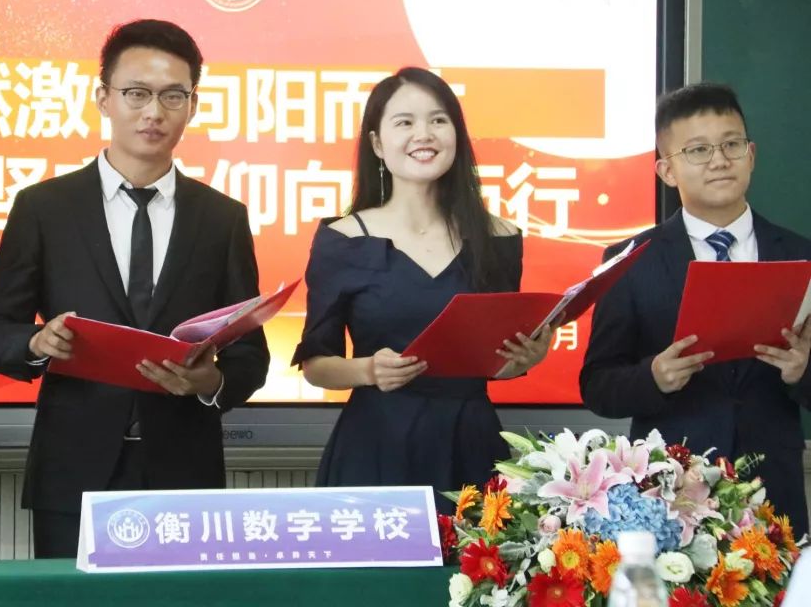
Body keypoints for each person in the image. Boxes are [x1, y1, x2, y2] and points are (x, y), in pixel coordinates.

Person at [0, 19, 270, 558]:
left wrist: (209, 381)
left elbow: (250, 354)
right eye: (136, 93)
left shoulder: (222, 218)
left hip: (184, 474)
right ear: (103, 99)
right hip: (74, 470)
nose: (154, 112)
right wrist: (35, 344)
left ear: (193, 105)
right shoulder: (44, 209)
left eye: (172, 96)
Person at [293, 67, 553, 509]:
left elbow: (497, 366)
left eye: (438, 120)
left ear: (457, 135)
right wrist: (368, 371)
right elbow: (316, 364)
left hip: (470, 442)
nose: (424, 134)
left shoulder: (499, 237)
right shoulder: (344, 239)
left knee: (480, 554)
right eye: (404, 122)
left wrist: (527, 358)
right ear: (377, 143)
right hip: (377, 444)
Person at [580, 83, 811, 536]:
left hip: (775, 492)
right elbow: (598, 385)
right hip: (671, 497)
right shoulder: (630, 261)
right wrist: (653, 377)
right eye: (699, 150)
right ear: (667, 170)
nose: (720, 160)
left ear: (751, 155)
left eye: (731, 144)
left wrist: (802, 371)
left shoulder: (800, 255)